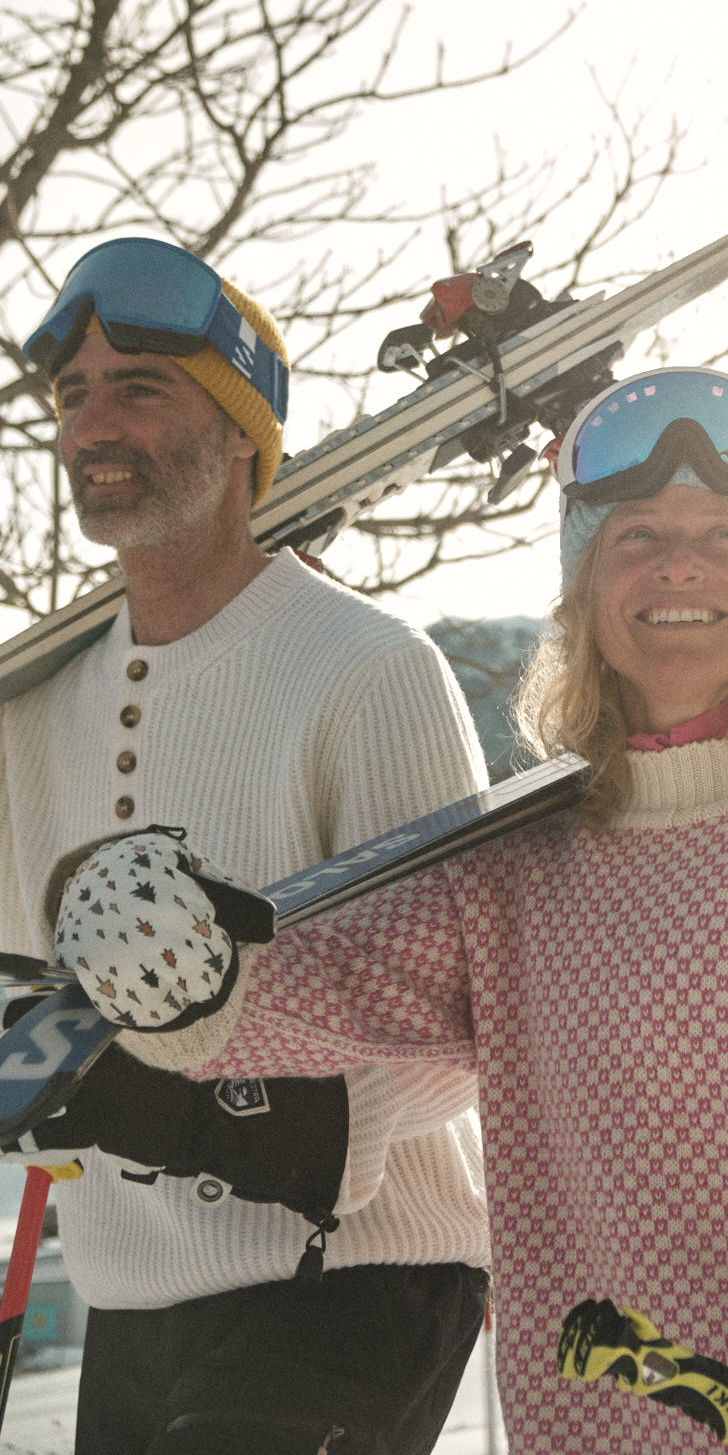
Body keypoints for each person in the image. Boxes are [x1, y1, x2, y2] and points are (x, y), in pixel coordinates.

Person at [54, 365, 728, 1454]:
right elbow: (321, 987)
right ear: (580, 584)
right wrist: (180, 969)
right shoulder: (517, 865)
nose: (678, 562)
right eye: (634, 536)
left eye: (723, 535)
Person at [3, 237, 492, 1455]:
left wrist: (217, 1097)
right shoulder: (30, 709)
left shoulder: (368, 669)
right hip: (127, 1288)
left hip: (361, 1279)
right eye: (74, 395)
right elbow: (25, 1017)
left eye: (141, 386)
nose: (93, 424)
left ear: (239, 434)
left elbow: (469, 1019)